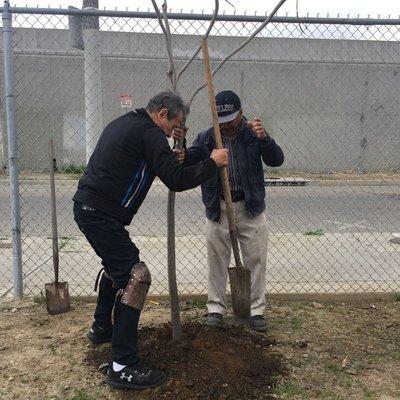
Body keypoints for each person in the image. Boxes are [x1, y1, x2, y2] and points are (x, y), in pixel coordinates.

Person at [72, 91, 228, 390]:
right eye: (174, 123)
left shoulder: (127, 124)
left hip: (89, 208)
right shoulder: (149, 133)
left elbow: (165, 164)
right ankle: (123, 366)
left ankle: (102, 328)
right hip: (101, 213)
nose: (173, 130)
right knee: (136, 276)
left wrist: (175, 152)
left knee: (117, 267)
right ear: (161, 114)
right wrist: (211, 162)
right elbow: (177, 180)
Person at [184, 90, 284, 332]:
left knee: (256, 259)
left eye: (230, 120)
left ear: (241, 114)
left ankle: (256, 310)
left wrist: (265, 139)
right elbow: (186, 161)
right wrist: (180, 144)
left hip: (250, 208)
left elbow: (276, 160)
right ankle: (216, 309)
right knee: (217, 260)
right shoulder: (207, 138)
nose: (226, 127)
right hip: (217, 208)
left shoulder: (253, 135)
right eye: (221, 122)